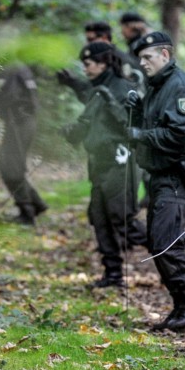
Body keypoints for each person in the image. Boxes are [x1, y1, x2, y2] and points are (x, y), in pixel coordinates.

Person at [125, 31, 185, 332]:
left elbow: (178, 137)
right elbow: (155, 127)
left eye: (147, 57)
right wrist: (136, 116)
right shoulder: (159, 87)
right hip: (160, 176)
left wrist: (139, 135)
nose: (142, 63)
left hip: (176, 176)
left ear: (165, 55)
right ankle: (184, 304)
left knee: (166, 244)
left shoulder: (181, 87)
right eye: (140, 58)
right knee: (160, 242)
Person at [62, 42, 148, 288]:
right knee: (99, 218)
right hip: (98, 164)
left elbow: (132, 126)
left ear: (102, 63)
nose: (85, 69)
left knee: (122, 218)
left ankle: (165, 250)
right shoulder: (97, 88)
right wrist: (73, 132)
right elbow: (90, 122)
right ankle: (112, 274)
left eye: (88, 64)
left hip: (120, 163)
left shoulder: (123, 88)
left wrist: (112, 103)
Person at [0, 63, 48, 225]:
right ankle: (36, 204)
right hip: (21, 121)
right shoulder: (18, 68)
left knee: (11, 167)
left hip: (19, 122)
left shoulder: (12, 69)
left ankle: (27, 211)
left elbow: (7, 99)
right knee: (10, 165)